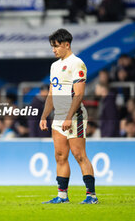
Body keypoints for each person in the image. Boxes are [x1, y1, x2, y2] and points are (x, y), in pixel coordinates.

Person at [39, 29, 98, 204]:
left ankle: (91, 196)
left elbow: (79, 94)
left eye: (56, 46)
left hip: (75, 116)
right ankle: (62, 196)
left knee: (79, 154)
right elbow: (52, 92)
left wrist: (69, 117)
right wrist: (44, 116)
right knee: (60, 155)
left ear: (66, 44)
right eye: (52, 47)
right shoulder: (54, 66)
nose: (53, 50)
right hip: (58, 116)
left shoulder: (77, 63)